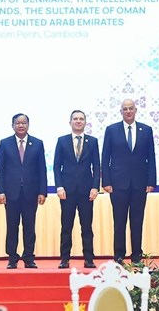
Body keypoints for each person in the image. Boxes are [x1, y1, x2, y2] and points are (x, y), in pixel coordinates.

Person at [101, 99, 156, 265]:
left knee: (137, 221)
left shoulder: (146, 130)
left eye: (131, 108)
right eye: (125, 109)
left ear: (136, 110)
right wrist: (106, 182)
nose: (128, 111)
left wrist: (151, 181)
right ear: (121, 112)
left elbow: (151, 157)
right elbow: (105, 157)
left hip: (140, 184)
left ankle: (136, 255)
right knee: (119, 222)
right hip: (117, 184)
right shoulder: (112, 130)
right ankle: (119, 255)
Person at [0, 113, 47, 269]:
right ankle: (12, 258)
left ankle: (29, 258)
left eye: (24, 122)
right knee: (12, 226)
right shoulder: (5, 143)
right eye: (17, 123)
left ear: (28, 125)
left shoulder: (37, 143)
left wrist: (42, 192)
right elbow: (0, 170)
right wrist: (0, 191)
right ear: (12, 125)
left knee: (29, 226)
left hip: (31, 193)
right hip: (11, 193)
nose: (21, 125)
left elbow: (42, 170)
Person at [53, 110, 100, 269]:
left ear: (85, 122)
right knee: (66, 227)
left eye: (81, 119)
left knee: (87, 227)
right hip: (67, 191)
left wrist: (95, 187)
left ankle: (89, 258)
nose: (78, 121)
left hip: (87, 191)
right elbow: (56, 166)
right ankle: (64, 259)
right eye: (75, 119)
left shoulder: (92, 142)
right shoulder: (62, 141)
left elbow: (97, 166)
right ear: (70, 122)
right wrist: (59, 186)